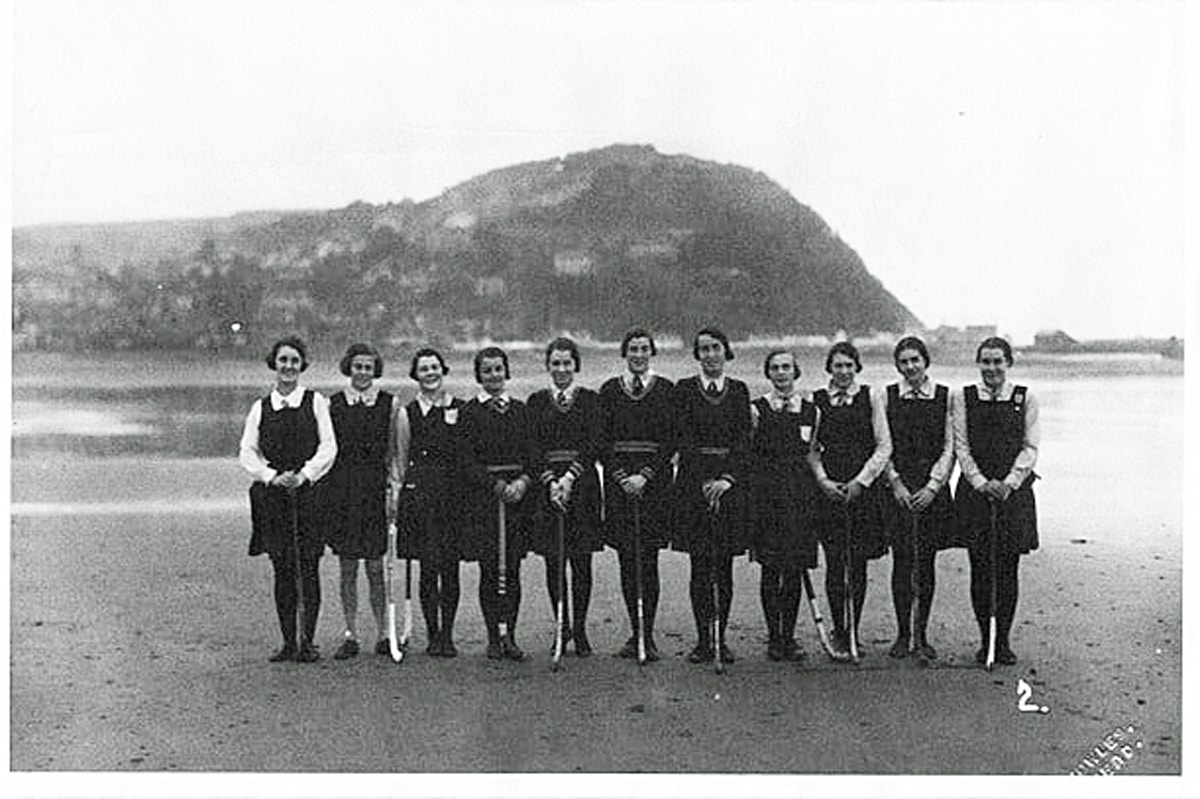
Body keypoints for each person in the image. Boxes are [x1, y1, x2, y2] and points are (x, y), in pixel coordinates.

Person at [239, 336, 337, 663]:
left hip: (309, 493)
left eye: (295, 361)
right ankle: (288, 642)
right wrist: (271, 476)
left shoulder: (315, 402)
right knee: (282, 567)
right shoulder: (261, 407)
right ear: (274, 363)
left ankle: (308, 641)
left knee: (308, 566)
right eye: (283, 360)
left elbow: (328, 447)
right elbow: (247, 452)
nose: (289, 367)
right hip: (273, 495)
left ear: (302, 366)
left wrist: (305, 474)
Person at [952, 336, 1040, 666]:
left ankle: (1002, 642)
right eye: (985, 362)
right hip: (976, 494)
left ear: (1008, 363)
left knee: (1007, 568)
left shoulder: (1025, 397)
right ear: (979, 364)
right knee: (980, 568)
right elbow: (961, 445)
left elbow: (1030, 447)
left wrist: (1009, 483)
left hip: (1013, 495)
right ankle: (984, 640)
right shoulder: (964, 396)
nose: (991, 368)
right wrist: (979, 482)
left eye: (997, 361)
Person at [672, 327, 753, 665]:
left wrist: (726, 479)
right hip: (694, 484)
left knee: (723, 566)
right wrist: (706, 478)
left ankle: (721, 637)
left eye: (715, 348)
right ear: (697, 355)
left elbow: (743, 440)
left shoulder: (739, 391)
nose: (710, 355)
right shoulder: (684, 390)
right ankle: (703, 640)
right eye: (703, 349)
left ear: (726, 351)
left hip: (729, 487)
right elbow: (683, 436)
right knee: (700, 564)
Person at [808, 341, 892, 658]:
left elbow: (884, 446)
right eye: (837, 366)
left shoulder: (871, 396)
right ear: (829, 368)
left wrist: (862, 481)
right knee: (834, 564)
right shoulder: (817, 401)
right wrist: (823, 481)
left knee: (857, 564)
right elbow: (812, 450)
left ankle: (854, 628)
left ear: (857, 368)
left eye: (848, 366)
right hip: (829, 491)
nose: (843, 372)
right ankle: (839, 629)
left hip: (862, 492)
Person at [598, 328, 676, 662]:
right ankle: (634, 631)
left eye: (644, 349)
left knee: (649, 560)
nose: (639, 354)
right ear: (624, 353)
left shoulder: (667, 391)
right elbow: (600, 440)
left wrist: (645, 476)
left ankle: (648, 634)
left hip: (655, 484)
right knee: (627, 560)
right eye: (633, 349)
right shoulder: (609, 391)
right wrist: (621, 477)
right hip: (619, 486)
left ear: (652, 352)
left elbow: (672, 440)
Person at [459, 346, 540, 661]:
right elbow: (465, 460)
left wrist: (521, 483)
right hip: (484, 500)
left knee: (513, 569)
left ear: (506, 372)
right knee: (489, 569)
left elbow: (533, 455)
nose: (494, 375)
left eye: (498, 369)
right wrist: (494, 484)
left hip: (517, 499)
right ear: (479, 375)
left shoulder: (521, 410)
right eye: (487, 370)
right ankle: (494, 636)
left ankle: (511, 635)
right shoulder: (470, 412)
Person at [881, 336, 958, 660]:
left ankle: (921, 634)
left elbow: (950, 446)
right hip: (898, 490)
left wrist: (933, 486)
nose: (910, 366)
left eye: (915, 359)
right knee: (901, 562)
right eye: (904, 361)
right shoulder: (886, 396)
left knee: (925, 563)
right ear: (898, 365)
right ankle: (902, 635)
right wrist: (896, 483)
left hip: (931, 491)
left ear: (926, 361)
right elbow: (881, 445)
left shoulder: (945, 396)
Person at [528, 337, 603, 656]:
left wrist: (570, 476)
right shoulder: (535, 401)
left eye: (566, 363)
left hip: (582, 485)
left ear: (576, 365)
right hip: (548, 488)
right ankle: (562, 626)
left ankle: (581, 629)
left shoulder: (589, 400)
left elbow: (595, 442)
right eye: (555, 363)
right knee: (554, 561)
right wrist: (550, 482)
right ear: (548, 366)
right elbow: (530, 446)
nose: (561, 369)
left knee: (581, 561)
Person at [392, 347, 468, 657]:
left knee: (450, 568)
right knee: (427, 567)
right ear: (416, 376)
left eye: (435, 367)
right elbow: (401, 457)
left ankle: (447, 634)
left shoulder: (459, 408)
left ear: (443, 370)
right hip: (419, 495)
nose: (431, 373)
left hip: (451, 495)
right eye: (424, 369)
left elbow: (465, 455)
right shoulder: (406, 413)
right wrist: (396, 498)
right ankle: (432, 634)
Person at [323, 343, 395, 660]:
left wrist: (393, 491)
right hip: (343, 492)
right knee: (348, 566)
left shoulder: (390, 406)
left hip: (374, 490)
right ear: (348, 368)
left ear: (375, 370)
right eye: (357, 366)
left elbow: (394, 453)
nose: (362, 372)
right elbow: (326, 453)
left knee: (376, 568)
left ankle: (383, 633)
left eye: (368, 367)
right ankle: (351, 633)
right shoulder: (332, 405)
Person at [750, 350, 819, 662]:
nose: (781, 373)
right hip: (768, 499)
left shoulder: (812, 411)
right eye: (775, 368)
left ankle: (789, 636)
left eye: (786, 368)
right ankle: (773, 636)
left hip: (801, 499)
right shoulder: (756, 409)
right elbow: (750, 455)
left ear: (796, 372)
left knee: (793, 571)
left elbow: (814, 455)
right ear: (768, 374)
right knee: (770, 569)